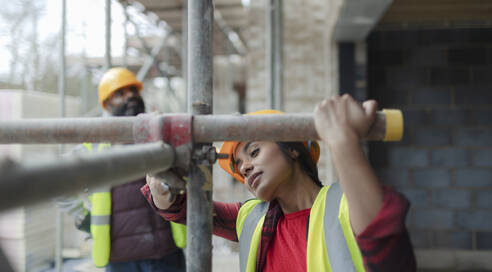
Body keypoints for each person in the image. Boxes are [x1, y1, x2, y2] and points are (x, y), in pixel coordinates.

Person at [143, 94, 416, 272]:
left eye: (254, 152)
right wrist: (161, 185)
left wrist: (342, 140)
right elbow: (184, 209)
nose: (246, 166)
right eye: (239, 166)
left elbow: (389, 250)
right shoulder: (252, 218)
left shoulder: (344, 204)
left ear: (293, 149)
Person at [58, 67, 186, 272]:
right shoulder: (94, 144)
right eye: (120, 93)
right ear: (107, 104)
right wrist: (83, 217)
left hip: (165, 252)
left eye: (133, 90)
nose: (131, 96)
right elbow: (57, 180)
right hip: (121, 260)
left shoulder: (158, 134)